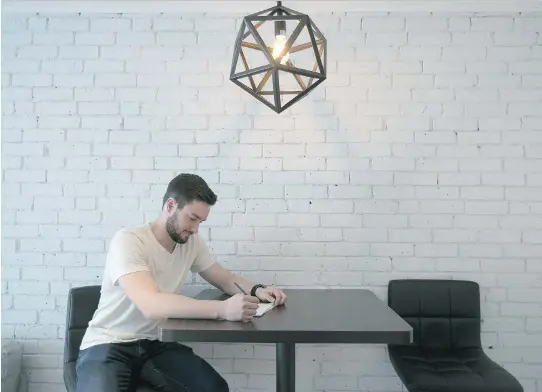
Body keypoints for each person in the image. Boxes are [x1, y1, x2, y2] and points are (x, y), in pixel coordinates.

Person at [75, 173, 287, 392]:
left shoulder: (190, 242)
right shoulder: (129, 240)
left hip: (153, 344)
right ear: (170, 205)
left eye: (201, 222)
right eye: (192, 218)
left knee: (214, 388)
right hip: (108, 344)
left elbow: (224, 278)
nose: (195, 229)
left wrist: (258, 289)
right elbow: (151, 305)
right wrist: (223, 309)